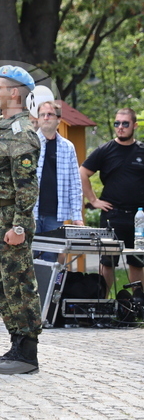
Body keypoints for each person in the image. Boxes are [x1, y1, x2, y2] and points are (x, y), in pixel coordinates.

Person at [0, 65, 42, 375]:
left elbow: (27, 187)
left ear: (14, 92)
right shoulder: (4, 124)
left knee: (20, 284)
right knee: (3, 285)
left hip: (12, 215)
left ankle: (28, 354)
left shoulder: (22, 131)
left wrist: (18, 226)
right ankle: (16, 343)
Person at [80, 107, 144, 292]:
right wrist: (93, 200)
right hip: (111, 216)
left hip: (138, 217)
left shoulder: (141, 150)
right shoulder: (105, 150)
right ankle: (103, 307)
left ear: (134, 125)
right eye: (117, 123)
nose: (121, 127)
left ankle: (137, 306)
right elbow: (83, 172)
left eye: (125, 123)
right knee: (107, 263)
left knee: (138, 262)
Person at [33, 101, 83, 260]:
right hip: (29, 212)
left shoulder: (67, 147)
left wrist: (77, 216)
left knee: (50, 260)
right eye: (42, 115)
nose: (46, 118)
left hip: (55, 215)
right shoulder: (28, 143)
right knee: (27, 260)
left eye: (50, 114)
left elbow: (75, 183)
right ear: (38, 119)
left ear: (59, 119)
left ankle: (49, 286)